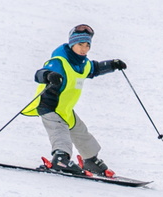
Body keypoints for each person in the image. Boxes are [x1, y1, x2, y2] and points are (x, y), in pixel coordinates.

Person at [23, 25, 127, 176]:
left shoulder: (83, 64)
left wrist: (112, 64)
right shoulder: (59, 61)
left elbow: (95, 68)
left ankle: (90, 160)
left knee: (81, 132)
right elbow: (40, 73)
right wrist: (48, 76)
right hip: (49, 105)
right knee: (59, 131)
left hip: (65, 108)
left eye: (87, 45)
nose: (84, 49)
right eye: (80, 45)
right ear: (72, 44)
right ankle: (60, 158)